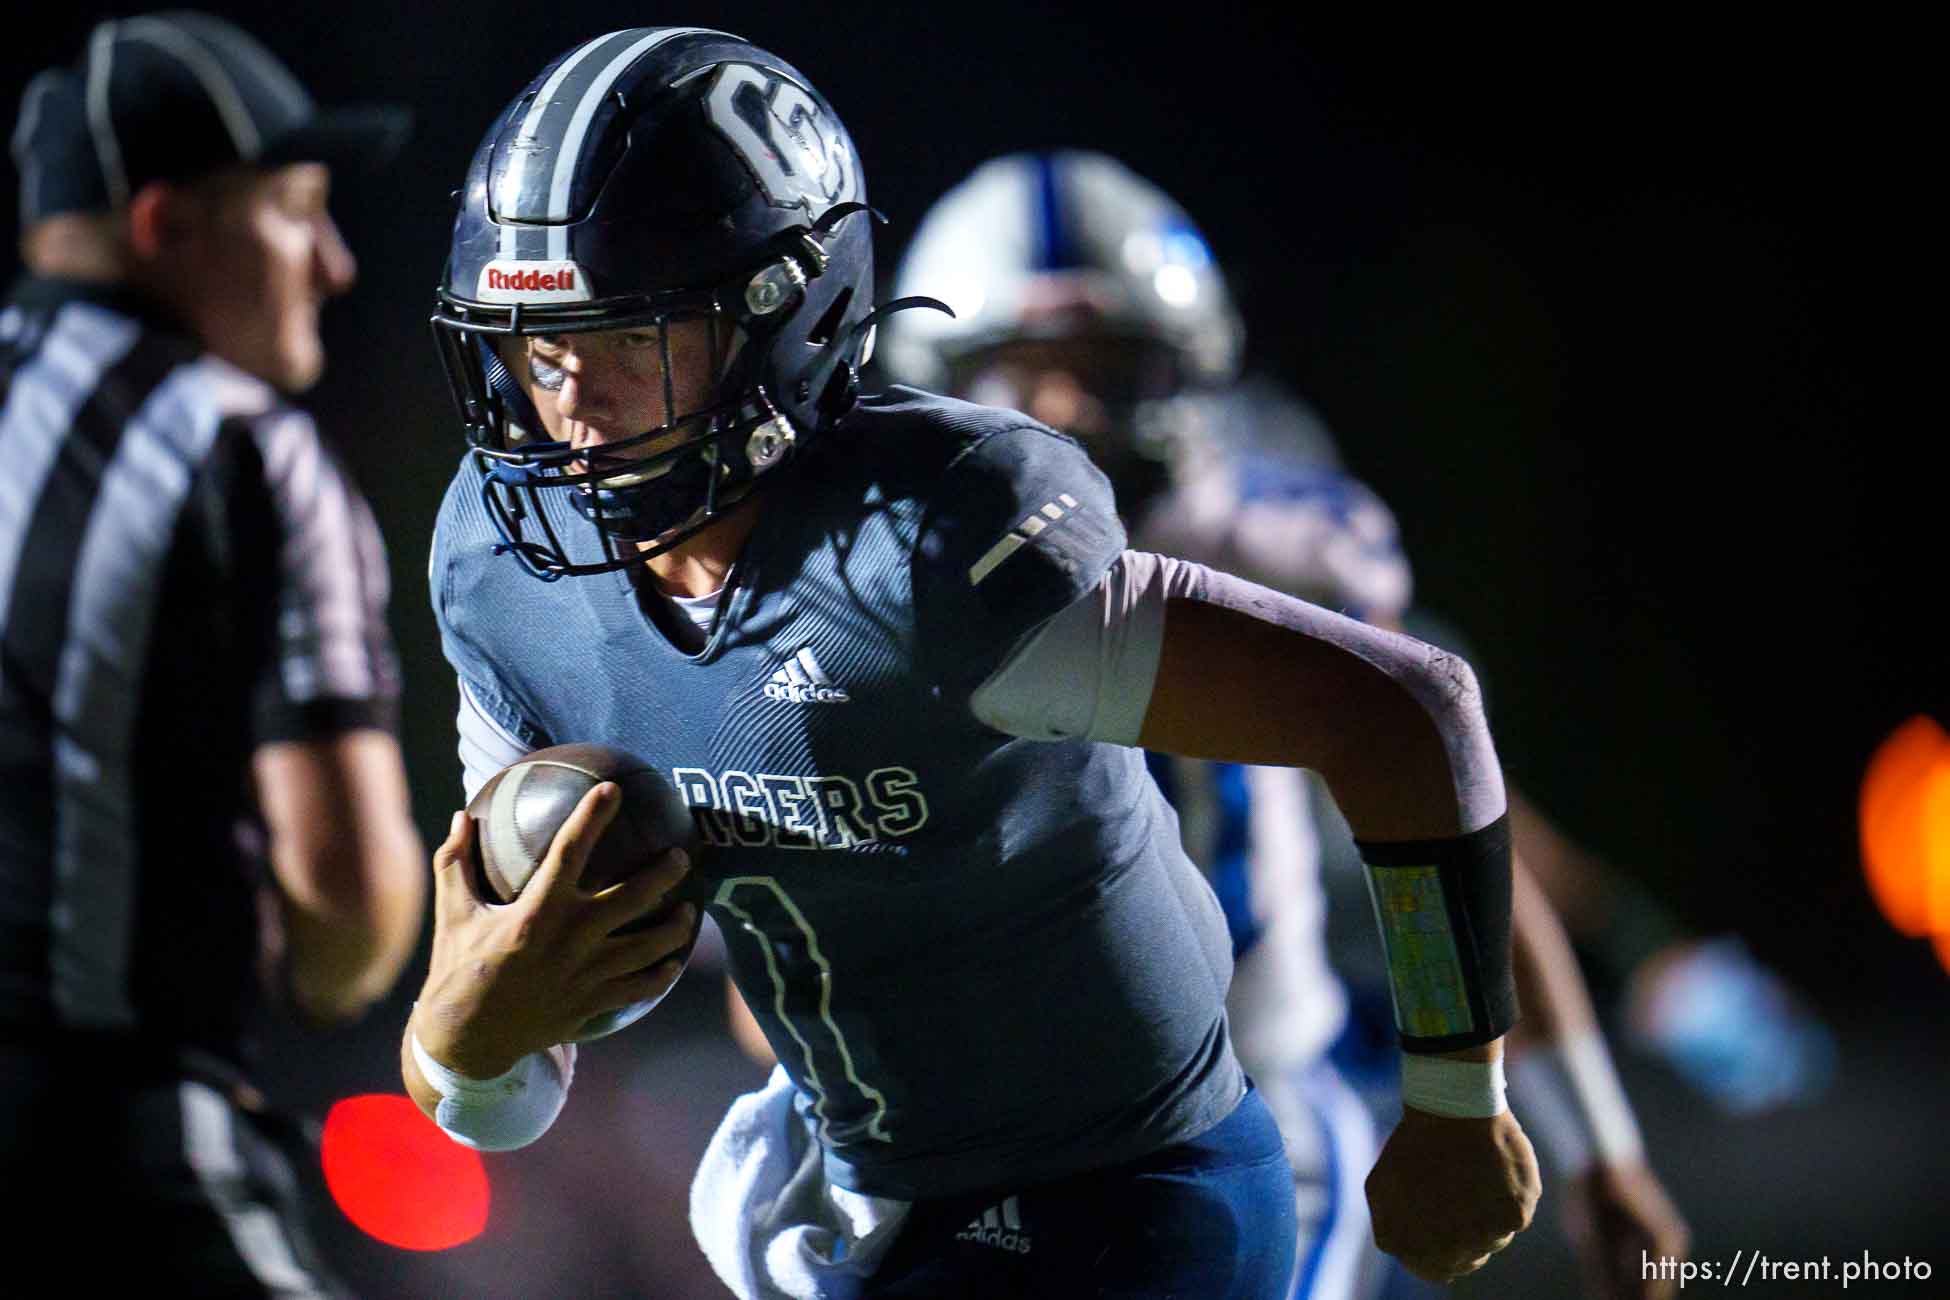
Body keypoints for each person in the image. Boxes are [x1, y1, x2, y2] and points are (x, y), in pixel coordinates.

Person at [406, 28, 1536, 1300]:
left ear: (783, 314)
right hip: (857, 1199)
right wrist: (461, 1047)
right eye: (533, 348)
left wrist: (1455, 1101)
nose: (568, 406)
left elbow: (1405, 712)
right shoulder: (507, 573)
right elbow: (498, 1085)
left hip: (1132, 1190)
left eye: (624, 343)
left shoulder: (930, 546)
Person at [880, 149, 1690, 1300]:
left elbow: (1456, 851)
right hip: (977, 1156)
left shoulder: (1274, 553)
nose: (1066, 414)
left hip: (1249, 1128)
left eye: (1103, 367)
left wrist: (1597, 1147)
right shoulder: (876, 595)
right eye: (1025, 373)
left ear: (1185, 370)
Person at [0, 14, 425, 1295]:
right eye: (297, 210)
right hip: (103, 1152)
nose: (336, 264)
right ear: (165, 224)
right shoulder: (239, 445)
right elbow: (346, 914)